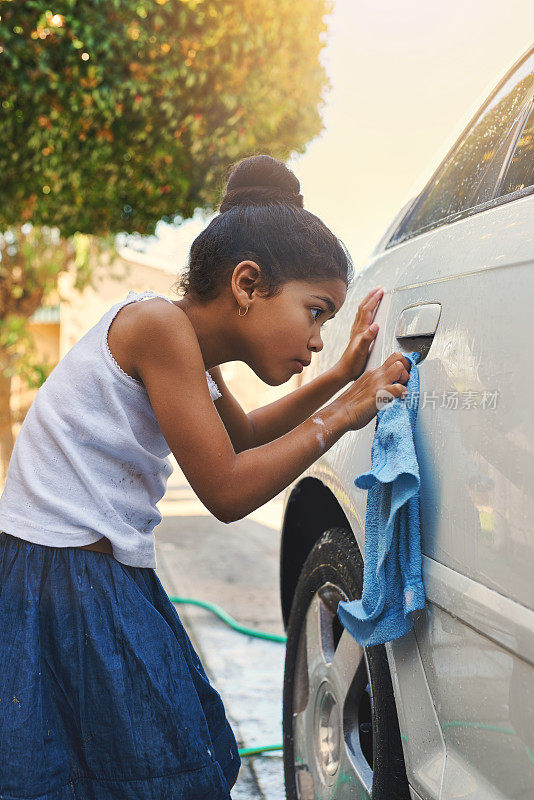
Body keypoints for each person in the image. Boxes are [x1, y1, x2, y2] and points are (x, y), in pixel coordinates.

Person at [0, 154, 410, 799]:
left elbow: (241, 437)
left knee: (157, 760)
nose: (316, 339)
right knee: (156, 769)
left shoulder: (182, 338)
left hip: (95, 572)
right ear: (247, 285)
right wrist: (343, 414)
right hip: (69, 580)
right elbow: (225, 490)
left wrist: (336, 383)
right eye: (315, 311)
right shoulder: (158, 328)